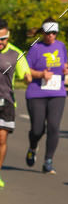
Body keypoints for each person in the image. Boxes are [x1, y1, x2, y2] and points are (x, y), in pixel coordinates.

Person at [24, 18, 68, 174]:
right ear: (43, 33)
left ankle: (48, 161)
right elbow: (27, 70)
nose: (51, 35)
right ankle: (32, 147)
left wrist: (66, 69)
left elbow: (64, 64)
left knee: (53, 127)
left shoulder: (61, 46)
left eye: (54, 32)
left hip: (57, 93)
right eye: (48, 32)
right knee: (37, 130)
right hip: (36, 93)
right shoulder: (36, 48)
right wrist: (41, 74)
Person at [0, 19, 32, 188]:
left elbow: (25, 73)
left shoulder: (16, 54)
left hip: (7, 102)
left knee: (2, 138)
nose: (0, 42)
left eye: (3, 38)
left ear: (8, 36)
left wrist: (28, 78)